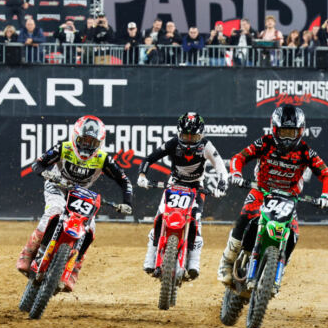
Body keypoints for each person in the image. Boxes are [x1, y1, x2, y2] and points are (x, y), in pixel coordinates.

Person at [217, 105, 328, 286]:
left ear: (300, 131)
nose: (287, 138)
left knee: (293, 234)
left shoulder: (305, 151)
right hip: (261, 191)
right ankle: (227, 261)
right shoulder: (264, 143)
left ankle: (279, 266)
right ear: (274, 129)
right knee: (246, 217)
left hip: (288, 199)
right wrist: (236, 174)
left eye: (292, 132)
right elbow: (238, 158)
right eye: (283, 132)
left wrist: (325, 196)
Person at [16, 115, 133, 290]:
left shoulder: (103, 158)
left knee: (90, 228)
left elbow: (124, 181)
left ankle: (74, 268)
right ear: (76, 136)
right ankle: (28, 253)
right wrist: (45, 173)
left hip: (81, 194)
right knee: (54, 211)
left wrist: (127, 203)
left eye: (92, 142)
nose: (87, 145)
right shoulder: (64, 148)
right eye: (84, 140)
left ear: (99, 143)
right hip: (57, 186)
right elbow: (37, 164)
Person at [138, 112, 228, 280]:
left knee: (195, 220)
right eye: (185, 136)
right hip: (175, 183)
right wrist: (142, 175)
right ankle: (150, 258)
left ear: (201, 135)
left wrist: (222, 185)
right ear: (179, 133)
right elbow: (150, 158)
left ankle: (193, 262)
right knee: (160, 216)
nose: (188, 140)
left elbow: (220, 166)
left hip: (196, 186)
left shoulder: (206, 145)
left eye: (193, 137)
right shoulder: (173, 143)